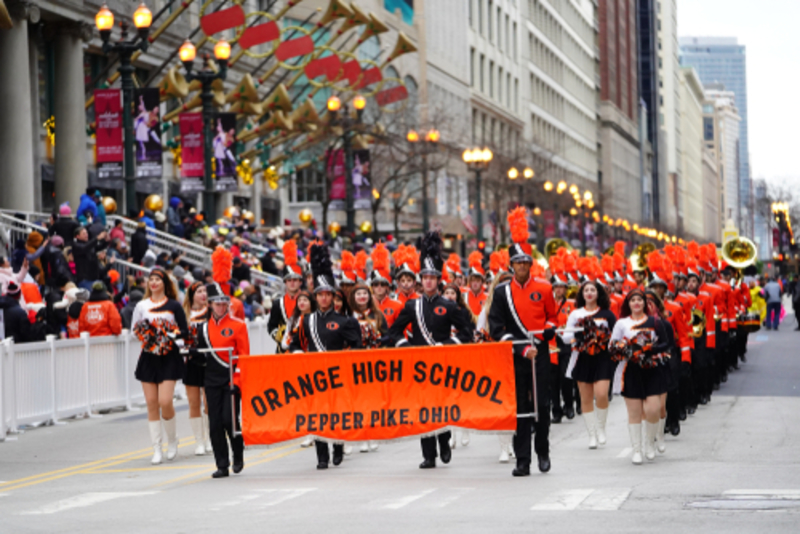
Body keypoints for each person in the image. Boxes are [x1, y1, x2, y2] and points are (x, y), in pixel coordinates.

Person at [387, 232, 474, 470]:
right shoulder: (411, 305)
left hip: (443, 364)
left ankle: (444, 442)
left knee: (442, 407)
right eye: (424, 277)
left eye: (432, 278)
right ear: (420, 280)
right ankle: (428, 455)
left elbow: (467, 332)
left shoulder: (448, 305)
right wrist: (405, 346)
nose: (427, 281)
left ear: (438, 280)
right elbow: (393, 332)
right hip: (418, 365)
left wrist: (447, 345)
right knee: (423, 409)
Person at [488, 209, 557, 477]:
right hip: (516, 356)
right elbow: (497, 328)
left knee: (541, 405)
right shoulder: (501, 292)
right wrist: (520, 347)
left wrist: (548, 332)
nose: (521, 267)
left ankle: (543, 452)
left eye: (525, 262)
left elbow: (553, 317)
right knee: (520, 408)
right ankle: (522, 460)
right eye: (517, 263)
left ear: (531, 264)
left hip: (539, 353)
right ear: (511, 266)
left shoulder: (545, 288)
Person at [289, 243, 362, 469]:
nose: (322, 298)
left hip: (338, 374)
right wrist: (298, 351)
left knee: (337, 414)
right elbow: (294, 344)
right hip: (315, 375)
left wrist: (344, 358)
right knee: (317, 415)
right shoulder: (307, 320)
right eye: (319, 295)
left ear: (332, 296)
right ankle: (322, 456)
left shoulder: (345, 321)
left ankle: (338, 446)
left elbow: (357, 346)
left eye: (326, 295)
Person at [131, 268, 189, 465]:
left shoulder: (174, 306)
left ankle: (172, 440)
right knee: (151, 403)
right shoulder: (141, 305)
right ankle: (157, 448)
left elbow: (184, 332)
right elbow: (134, 330)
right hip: (148, 356)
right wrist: (148, 338)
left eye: (158, 279)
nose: (154, 282)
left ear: (165, 282)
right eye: (151, 279)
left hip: (169, 356)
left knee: (165, 401)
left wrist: (169, 336)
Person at [196, 279, 251, 478]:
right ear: (209, 304)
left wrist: (237, 381)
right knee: (215, 423)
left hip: (230, 379)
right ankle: (221, 464)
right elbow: (201, 359)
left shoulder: (238, 326)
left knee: (229, 420)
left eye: (224, 303)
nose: (221, 307)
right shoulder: (202, 328)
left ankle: (238, 453)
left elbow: (244, 356)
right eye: (217, 303)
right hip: (211, 380)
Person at [609, 289, 672, 464]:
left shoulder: (655, 322)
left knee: (653, 409)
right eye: (633, 300)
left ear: (645, 303)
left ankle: (649, 443)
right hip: (631, 370)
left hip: (652, 369)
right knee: (634, 412)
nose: (636, 303)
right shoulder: (621, 323)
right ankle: (637, 450)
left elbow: (666, 344)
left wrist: (649, 349)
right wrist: (626, 349)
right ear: (628, 304)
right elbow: (612, 346)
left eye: (639, 300)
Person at [562, 280, 617, 449]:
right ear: (582, 294)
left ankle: (601, 428)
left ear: (598, 293)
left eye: (593, 290)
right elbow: (565, 337)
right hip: (582, 357)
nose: (590, 293)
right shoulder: (575, 314)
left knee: (601, 394)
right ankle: (591, 435)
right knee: (585, 398)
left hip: (602, 358)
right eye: (586, 290)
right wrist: (578, 338)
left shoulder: (607, 314)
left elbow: (615, 337)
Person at [349, 283, 388, 453]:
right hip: (353, 362)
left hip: (373, 362)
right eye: (358, 294)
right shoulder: (348, 315)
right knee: (356, 401)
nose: (362, 297)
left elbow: (387, 336)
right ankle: (360, 436)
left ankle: (372, 434)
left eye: (365, 293)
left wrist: (378, 341)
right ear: (353, 297)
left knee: (372, 400)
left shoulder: (378, 315)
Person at [183, 282, 212, 456]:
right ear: (192, 295)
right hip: (191, 361)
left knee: (208, 401)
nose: (203, 294)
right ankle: (198, 441)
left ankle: (209, 438)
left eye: (205, 291)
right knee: (194, 402)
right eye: (199, 291)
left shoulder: (211, 312)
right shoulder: (184, 314)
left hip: (209, 360)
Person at [267, 240, 302, 352]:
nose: (292, 283)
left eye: (295, 280)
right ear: (285, 282)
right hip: (283, 351)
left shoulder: (308, 301)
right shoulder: (278, 303)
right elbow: (271, 326)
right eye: (289, 280)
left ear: (300, 282)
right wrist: (280, 335)